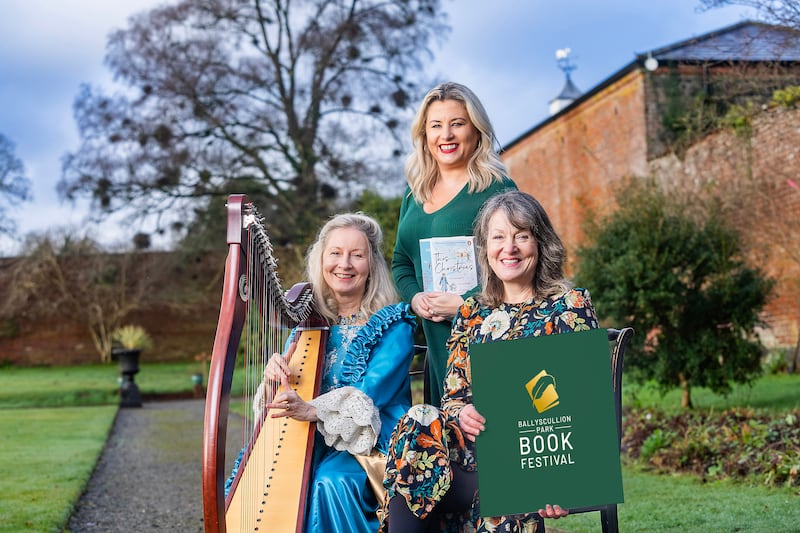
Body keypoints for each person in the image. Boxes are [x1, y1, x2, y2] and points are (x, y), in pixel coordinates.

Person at [381, 190, 600, 532]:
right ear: (485, 248)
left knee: (416, 484)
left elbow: (585, 401)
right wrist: (461, 414)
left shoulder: (568, 307)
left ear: (540, 243)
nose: (508, 248)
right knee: (418, 420)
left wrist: (562, 480)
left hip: (530, 458)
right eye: (498, 237)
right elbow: (453, 397)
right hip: (467, 460)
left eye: (521, 236)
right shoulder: (471, 311)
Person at [226, 213, 417, 533]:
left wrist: (311, 409)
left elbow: (369, 396)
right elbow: (287, 395)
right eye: (336, 253)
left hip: (371, 442)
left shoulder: (393, 325)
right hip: (312, 435)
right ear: (322, 259)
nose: (345, 264)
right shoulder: (308, 324)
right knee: (254, 481)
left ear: (372, 265)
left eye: (357, 255)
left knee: (331, 482)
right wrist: (275, 375)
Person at [392, 81, 517, 407]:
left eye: (457, 124)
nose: (445, 135)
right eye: (436, 126)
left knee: (489, 451)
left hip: (486, 343)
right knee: (447, 453)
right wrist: (415, 297)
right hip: (438, 346)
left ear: (476, 131)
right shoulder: (414, 192)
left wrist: (465, 305)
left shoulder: (497, 189)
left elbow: (520, 268)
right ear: (424, 134)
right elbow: (401, 262)